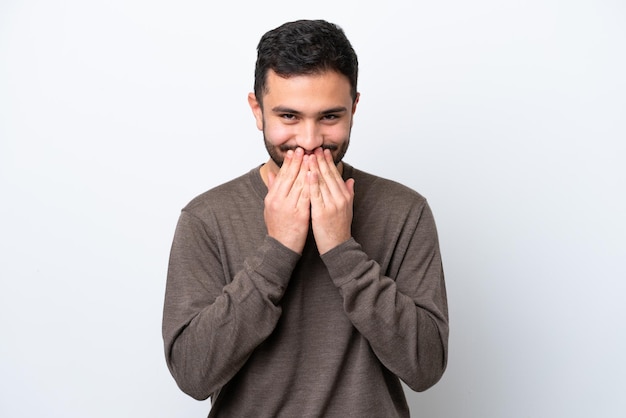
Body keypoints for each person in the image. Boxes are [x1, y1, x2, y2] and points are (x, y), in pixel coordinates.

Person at [162, 19, 449, 417]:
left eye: (330, 117)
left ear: (355, 108)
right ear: (257, 111)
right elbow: (193, 375)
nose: (311, 142)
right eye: (290, 117)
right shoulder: (206, 218)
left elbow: (426, 368)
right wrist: (277, 250)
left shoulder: (404, 211)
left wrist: (342, 250)